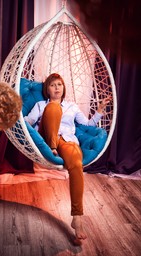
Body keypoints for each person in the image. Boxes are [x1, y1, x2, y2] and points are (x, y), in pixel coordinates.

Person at [25, 73, 110, 243]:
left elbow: (86, 125)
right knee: (54, 108)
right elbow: (27, 121)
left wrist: (99, 111)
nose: (57, 87)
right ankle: (52, 145)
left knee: (77, 163)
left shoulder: (72, 106)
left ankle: (77, 217)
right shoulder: (41, 105)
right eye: (52, 85)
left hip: (67, 141)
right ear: (47, 89)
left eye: (59, 84)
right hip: (46, 140)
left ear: (63, 88)